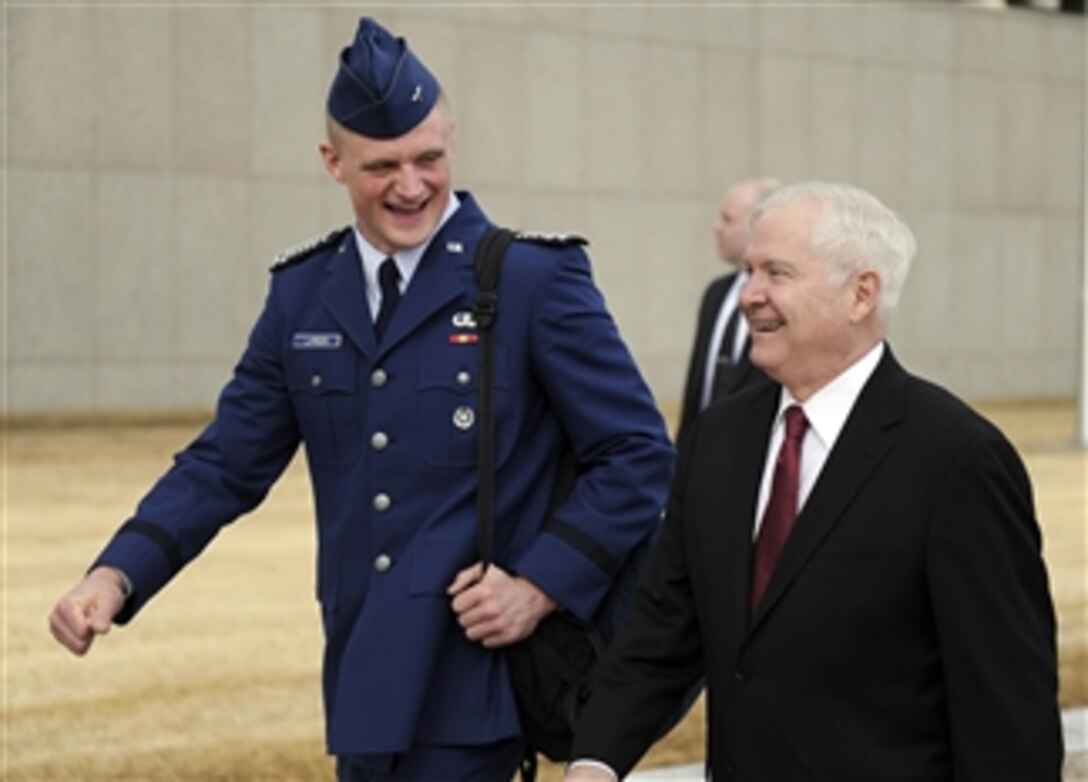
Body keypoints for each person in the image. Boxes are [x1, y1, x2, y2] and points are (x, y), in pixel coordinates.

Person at [48, 16, 674, 782]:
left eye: (429, 159)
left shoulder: (530, 281)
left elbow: (637, 454)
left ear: (452, 141)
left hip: (476, 682)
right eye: (382, 166)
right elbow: (225, 463)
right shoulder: (303, 295)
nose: (411, 187)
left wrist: (540, 586)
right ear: (332, 162)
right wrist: (115, 575)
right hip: (362, 679)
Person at [564, 181, 1064, 781]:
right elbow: (663, 630)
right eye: (749, 270)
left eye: (777, 273)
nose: (749, 295)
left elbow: (1007, 717)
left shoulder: (958, 460)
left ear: (861, 294)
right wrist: (594, 760)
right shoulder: (716, 442)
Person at [676, 177, 780, 446]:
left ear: (758, 224)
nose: (716, 227)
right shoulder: (716, 294)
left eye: (727, 219)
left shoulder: (779, 300)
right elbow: (696, 391)